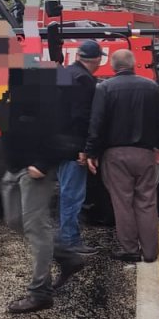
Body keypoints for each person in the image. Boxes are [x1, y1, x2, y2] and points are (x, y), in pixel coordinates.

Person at [0, 63, 89, 315]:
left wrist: (42, 162)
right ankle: (67, 257)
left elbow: (56, 130)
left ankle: (40, 293)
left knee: (36, 228)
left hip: (35, 169)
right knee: (15, 220)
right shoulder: (7, 83)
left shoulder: (38, 92)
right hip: (14, 166)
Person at [85, 49, 159, 263]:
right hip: (145, 153)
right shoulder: (151, 87)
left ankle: (130, 249)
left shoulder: (104, 88)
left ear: (113, 66)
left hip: (115, 155)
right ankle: (150, 252)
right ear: (133, 65)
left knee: (122, 202)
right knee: (147, 201)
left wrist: (92, 152)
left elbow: (97, 123)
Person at [54, 40, 100, 254]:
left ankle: (64, 236)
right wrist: (84, 148)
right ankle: (70, 242)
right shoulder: (84, 80)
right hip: (73, 145)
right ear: (97, 59)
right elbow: (81, 117)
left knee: (66, 191)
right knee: (73, 194)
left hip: (60, 142)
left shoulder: (65, 73)